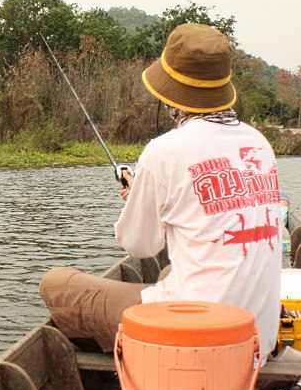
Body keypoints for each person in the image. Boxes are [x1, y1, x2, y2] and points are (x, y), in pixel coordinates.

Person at [40, 23, 282, 359]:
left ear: (171, 94)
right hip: (257, 339)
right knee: (169, 272)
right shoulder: (259, 143)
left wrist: (137, 201)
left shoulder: (164, 150)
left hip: (193, 337)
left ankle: (133, 352)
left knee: (56, 283)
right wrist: (147, 197)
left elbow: (139, 246)